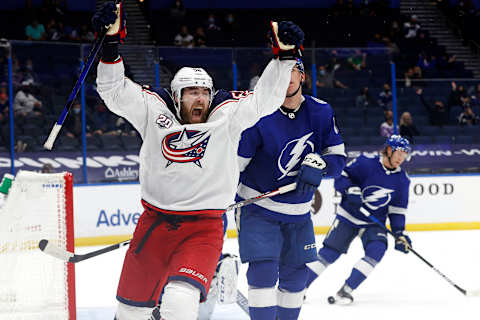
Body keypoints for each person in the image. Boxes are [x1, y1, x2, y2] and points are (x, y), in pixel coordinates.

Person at [92, 2, 304, 319]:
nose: (200, 98)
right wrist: (110, 44)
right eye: (191, 92)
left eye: (204, 92)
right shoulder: (153, 109)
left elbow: (265, 100)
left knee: (180, 302)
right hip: (154, 224)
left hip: (203, 229)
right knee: (128, 313)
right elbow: (113, 90)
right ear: (176, 97)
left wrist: (284, 58)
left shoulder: (227, 114)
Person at [236, 58, 346, 320]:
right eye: (280, 72)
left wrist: (320, 164)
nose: (286, 77)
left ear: (303, 76)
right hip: (258, 208)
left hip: (299, 214)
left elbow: (338, 160)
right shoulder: (258, 114)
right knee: (263, 271)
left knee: (296, 277)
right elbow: (235, 166)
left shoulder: (321, 111)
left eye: (292, 71)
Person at [305, 135, 412, 304]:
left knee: (377, 250)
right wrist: (350, 189)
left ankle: (346, 290)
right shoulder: (365, 163)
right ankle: (299, 288)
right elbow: (341, 177)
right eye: (399, 153)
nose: (401, 158)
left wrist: (400, 233)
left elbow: (397, 210)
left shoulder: (402, 180)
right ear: (389, 150)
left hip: (373, 223)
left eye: (405, 154)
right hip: (349, 217)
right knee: (329, 253)